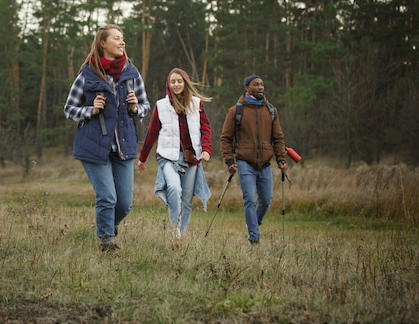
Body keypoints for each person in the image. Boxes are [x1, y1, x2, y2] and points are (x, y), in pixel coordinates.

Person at [64, 24, 150, 252]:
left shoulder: (132, 73)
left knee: (124, 204)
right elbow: (69, 109)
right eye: (117, 39)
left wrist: (135, 107)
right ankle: (106, 242)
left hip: (124, 145)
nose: (122, 43)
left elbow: (144, 106)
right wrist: (89, 110)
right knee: (107, 198)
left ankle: (109, 227)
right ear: (103, 43)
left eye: (123, 39)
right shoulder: (87, 75)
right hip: (93, 145)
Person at [138, 68, 212, 239]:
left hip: (191, 158)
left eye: (179, 81)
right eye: (173, 81)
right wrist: (142, 158)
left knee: (186, 199)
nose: (176, 84)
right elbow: (151, 133)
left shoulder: (197, 103)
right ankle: (174, 228)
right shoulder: (161, 106)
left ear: (185, 82)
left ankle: (181, 235)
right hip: (168, 157)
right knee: (173, 188)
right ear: (168, 84)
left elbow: (205, 129)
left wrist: (206, 149)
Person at [219, 75, 287, 245]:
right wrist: (229, 161)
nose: (260, 87)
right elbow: (225, 138)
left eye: (262, 84)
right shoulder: (236, 111)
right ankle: (254, 238)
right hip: (244, 163)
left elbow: (278, 138)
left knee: (266, 200)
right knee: (249, 199)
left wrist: (281, 159)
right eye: (256, 85)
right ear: (247, 88)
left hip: (265, 164)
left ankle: (254, 223)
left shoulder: (271, 111)